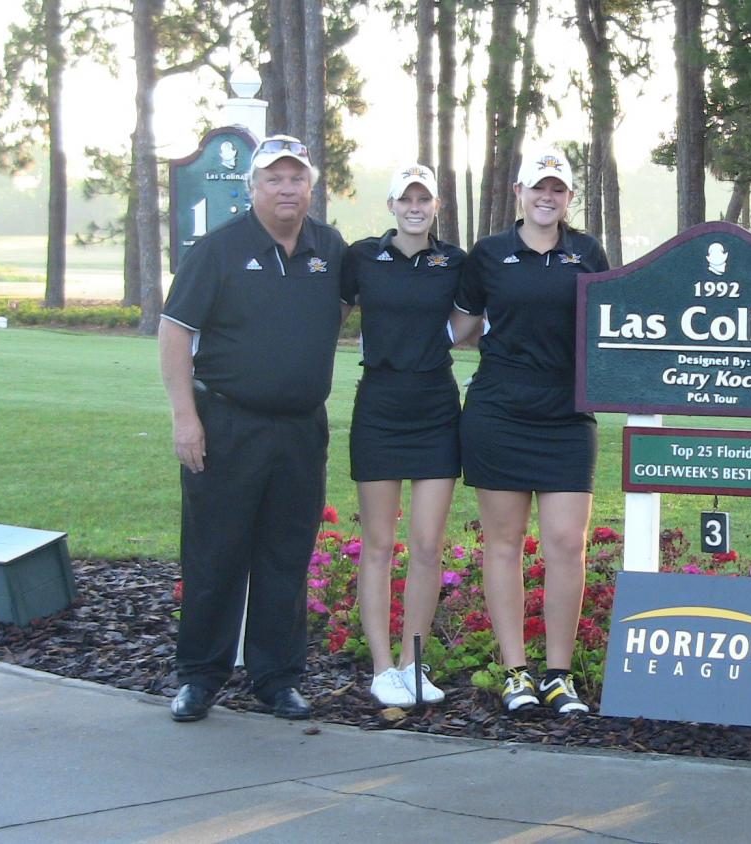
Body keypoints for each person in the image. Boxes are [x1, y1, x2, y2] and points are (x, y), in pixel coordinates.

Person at [158, 135, 346, 722]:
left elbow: (341, 311)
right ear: (253, 186)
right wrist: (185, 417)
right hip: (226, 425)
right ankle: (200, 676)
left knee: (285, 557)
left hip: (299, 430)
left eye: (296, 179)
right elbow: (173, 334)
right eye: (274, 178)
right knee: (215, 554)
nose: (286, 188)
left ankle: (276, 677)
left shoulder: (330, 248)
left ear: (310, 186)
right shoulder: (218, 249)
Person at [454, 146, 609, 714]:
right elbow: (463, 325)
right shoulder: (490, 253)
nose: (547, 197)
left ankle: (559, 675)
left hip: (567, 415)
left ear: (569, 198)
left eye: (558, 189)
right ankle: (516, 670)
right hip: (499, 412)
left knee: (568, 544)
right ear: (519, 192)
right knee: (505, 544)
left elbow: (610, 324)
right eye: (538, 187)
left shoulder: (587, 252)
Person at [341, 164, 469, 708]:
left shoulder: (453, 261)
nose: (415, 207)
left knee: (425, 544)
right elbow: (333, 311)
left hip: (435, 404)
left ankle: (414, 664)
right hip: (379, 403)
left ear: (435, 205)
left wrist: (440, 339)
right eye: (406, 199)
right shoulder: (362, 256)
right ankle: (382, 668)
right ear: (392, 205)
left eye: (424, 199)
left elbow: (470, 320)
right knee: (378, 545)